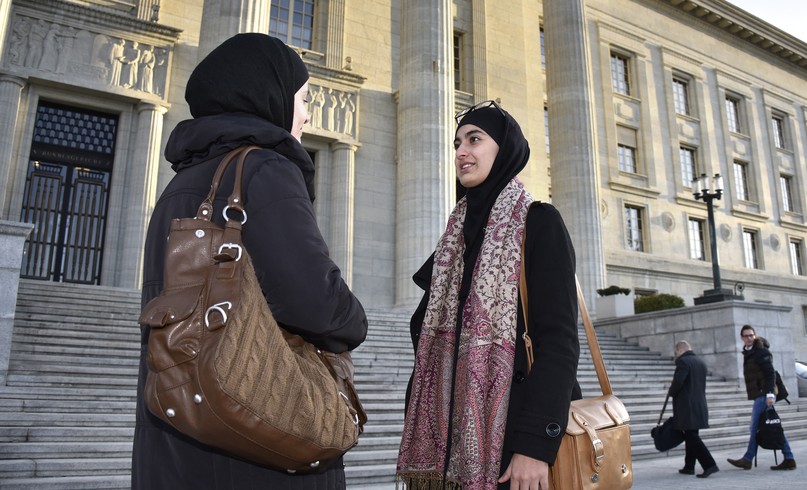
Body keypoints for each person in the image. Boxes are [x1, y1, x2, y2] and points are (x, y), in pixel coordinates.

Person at [131, 33, 368, 489]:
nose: (306, 114)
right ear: (271, 95)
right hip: (257, 447)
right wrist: (355, 319)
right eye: (303, 98)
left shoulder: (182, 184)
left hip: (178, 442)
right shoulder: (263, 168)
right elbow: (315, 301)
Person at [396, 100, 582, 489]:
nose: (462, 152)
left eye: (475, 140)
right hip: (447, 449)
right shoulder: (452, 240)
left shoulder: (538, 222)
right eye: (457, 143)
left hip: (515, 446)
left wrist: (535, 445)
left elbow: (559, 342)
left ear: (505, 149)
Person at [727, 325, 797, 471]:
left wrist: (770, 394)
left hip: (764, 394)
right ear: (742, 338)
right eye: (746, 336)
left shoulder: (760, 352)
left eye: (751, 335)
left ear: (755, 335)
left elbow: (770, 373)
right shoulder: (749, 353)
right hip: (760, 394)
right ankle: (788, 457)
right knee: (770, 426)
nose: (748, 338)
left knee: (756, 427)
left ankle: (748, 459)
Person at [669, 340, 718, 478]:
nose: (677, 355)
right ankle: (689, 466)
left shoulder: (683, 362)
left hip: (687, 406)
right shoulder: (700, 362)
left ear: (679, 350)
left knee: (692, 436)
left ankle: (709, 464)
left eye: (676, 352)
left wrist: (671, 392)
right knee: (691, 435)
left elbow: (678, 381)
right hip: (699, 404)